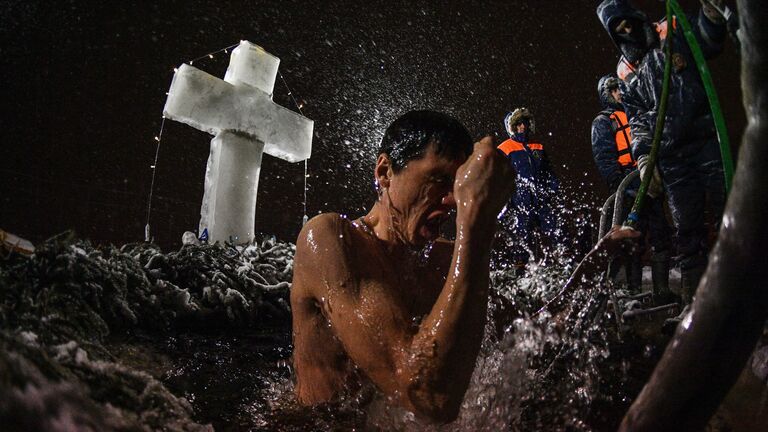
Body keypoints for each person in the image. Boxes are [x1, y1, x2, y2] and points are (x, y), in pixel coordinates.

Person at [290, 110, 639, 423]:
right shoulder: (330, 240)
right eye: (440, 180)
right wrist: (477, 224)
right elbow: (427, 396)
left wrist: (594, 264)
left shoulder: (441, 260)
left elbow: (527, 334)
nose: (453, 201)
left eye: (458, 187)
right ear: (384, 172)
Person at [597, 0, 728, 307]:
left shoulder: (672, 32)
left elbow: (708, 42)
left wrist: (711, 15)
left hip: (706, 139)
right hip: (672, 158)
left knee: (730, 214)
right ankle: (693, 303)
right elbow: (639, 120)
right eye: (619, 30)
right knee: (687, 230)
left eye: (628, 22)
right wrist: (644, 158)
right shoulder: (627, 72)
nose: (627, 31)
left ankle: (745, 294)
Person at [591, 74, 672, 300]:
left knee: (660, 234)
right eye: (614, 91)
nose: (619, 94)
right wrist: (619, 185)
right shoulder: (603, 122)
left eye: (620, 89)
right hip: (626, 186)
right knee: (631, 241)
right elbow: (604, 158)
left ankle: (661, 290)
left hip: (648, 181)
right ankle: (633, 289)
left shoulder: (635, 113)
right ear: (606, 95)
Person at [496, 108, 562, 271]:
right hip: (519, 202)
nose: (522, 127)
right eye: (518, 124)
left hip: (541, 200)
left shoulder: (538, 146)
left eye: (524, 122)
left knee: (556, 231)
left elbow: (548, 172)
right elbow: (498, 178)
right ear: (511, 126)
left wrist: (554, 189)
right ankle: (520, 271)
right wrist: (505, 200)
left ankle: (560, 265)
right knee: (522, 239)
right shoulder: (504, 149)